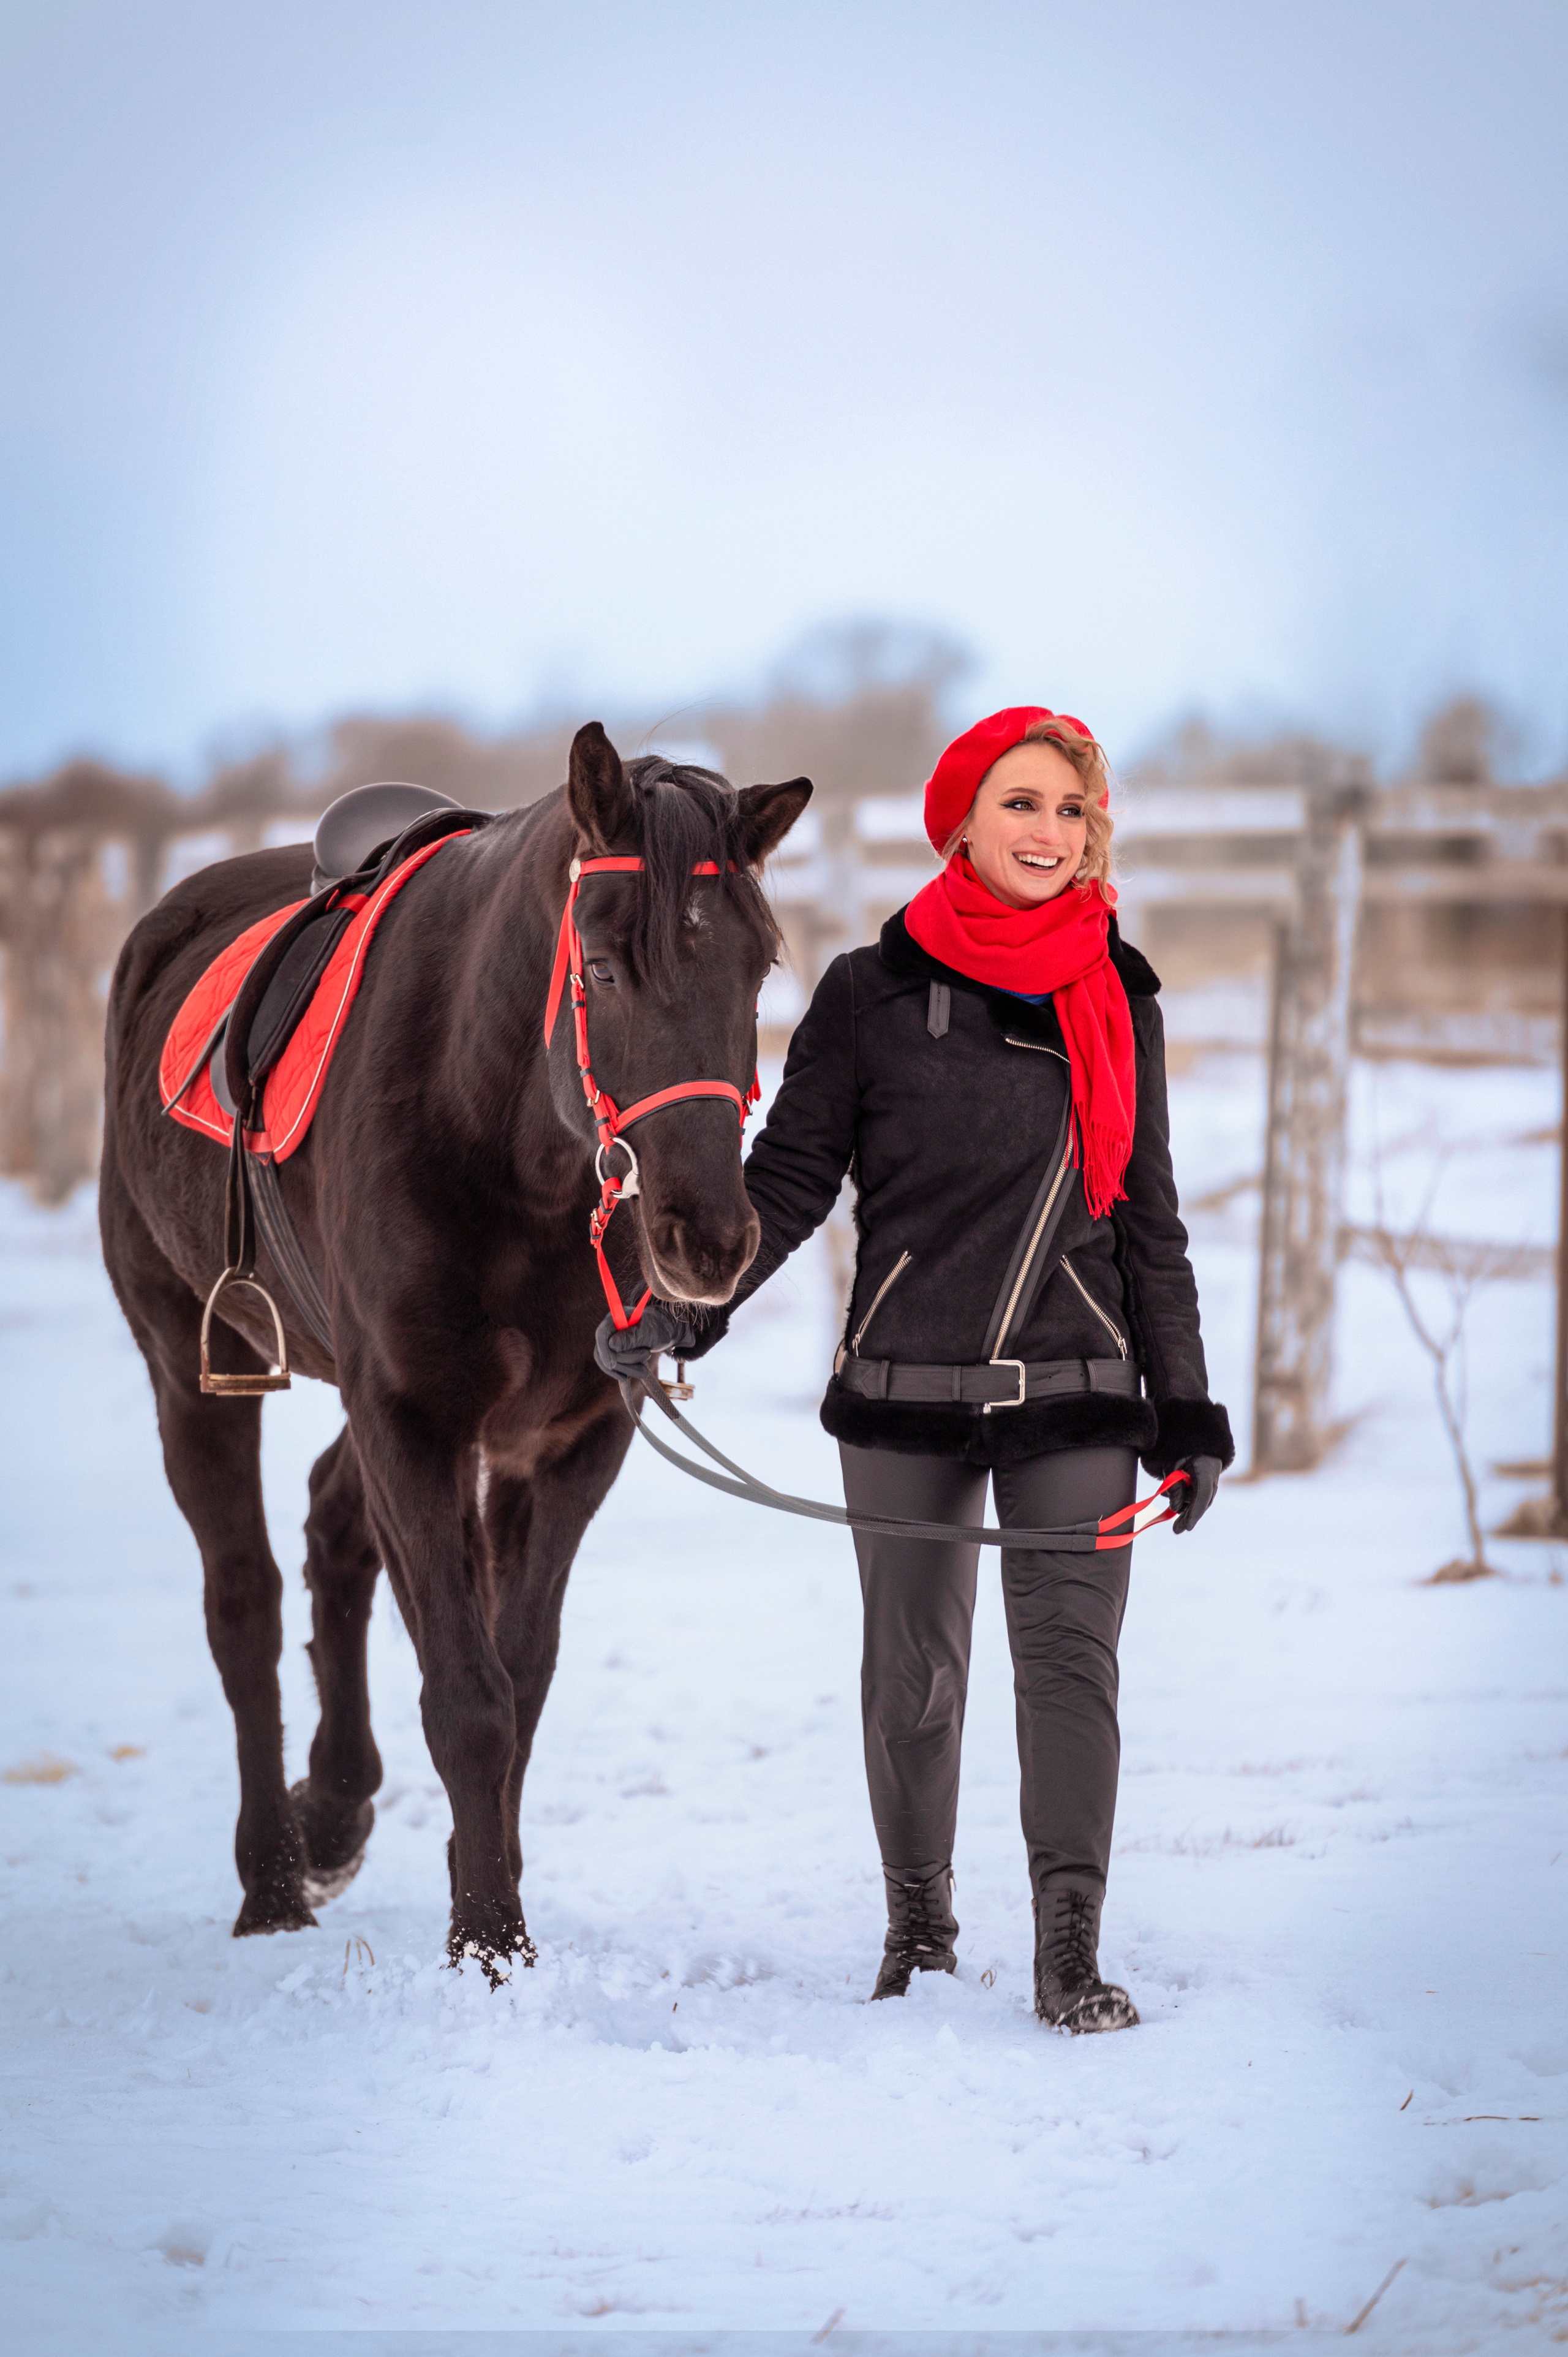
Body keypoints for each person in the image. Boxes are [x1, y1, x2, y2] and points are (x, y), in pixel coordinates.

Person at [598, 706, 1232, 2033]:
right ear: (960, 823)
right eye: (1021, 804)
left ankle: (1069, 1952)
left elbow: (1148, 1220)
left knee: (1069, 1669)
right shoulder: (866, 994)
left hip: (1077, 1383)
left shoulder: (1116, 994)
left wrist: (1184, 1409)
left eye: (1070, 809)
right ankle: (918, 1932)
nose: (1049, 832)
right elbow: (786, 1180)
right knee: (912, 1680)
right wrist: (681, 1314)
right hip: (900, 1388)